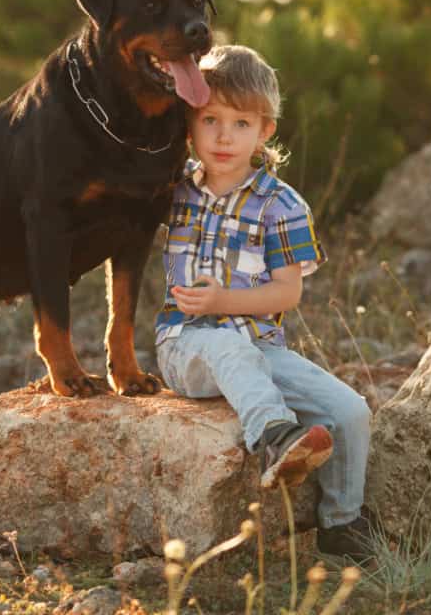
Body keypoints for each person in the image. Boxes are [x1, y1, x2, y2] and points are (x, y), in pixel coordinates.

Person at [155, 44, 373, 561]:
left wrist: (224, 299)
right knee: (230, 349)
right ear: (189, 123)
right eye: (210, 119)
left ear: (265, 129)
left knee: (351, 410)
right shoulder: (172, 189)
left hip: (263, 345)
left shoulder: (282, 206)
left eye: (241, 123)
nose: (224, 136)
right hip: (188, 346)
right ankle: (274, 437)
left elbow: (288, 292)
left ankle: (342, 522)